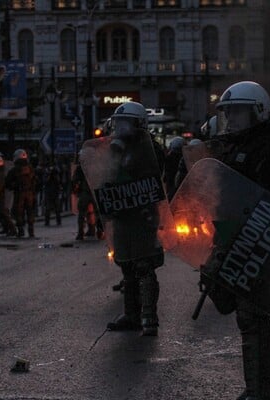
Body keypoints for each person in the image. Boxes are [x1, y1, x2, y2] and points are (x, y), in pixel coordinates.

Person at [206, 81, 270, 399]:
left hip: (258, 243)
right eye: (228, 113)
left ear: (258, 112)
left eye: (239, 113)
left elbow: (268, 200)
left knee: (251, 316)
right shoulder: (231, 148)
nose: (232, 120)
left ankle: (257, 389)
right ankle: (263, 382)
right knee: (251, 315)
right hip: (233, 239)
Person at [102, 101, 166, 337]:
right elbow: (105, 176)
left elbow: (153, 178)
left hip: (142, 214)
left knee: (144, 265)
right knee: (127, 265)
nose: (121, 128)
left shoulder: (150, 149)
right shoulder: (115, 150)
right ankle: (132, 314)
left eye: (126, 123)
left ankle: (149, 316)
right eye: (119, 123)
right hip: (122, 214)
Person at [6, 149, 37, 238]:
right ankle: (31, 230)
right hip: (30, 194)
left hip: (19, 194)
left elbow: (8, 182)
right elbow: (35, 181)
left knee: (18, 212)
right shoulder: (31, 169)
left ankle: (21, 230)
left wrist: (13, 186)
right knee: (30, 212)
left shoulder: (14, 170)